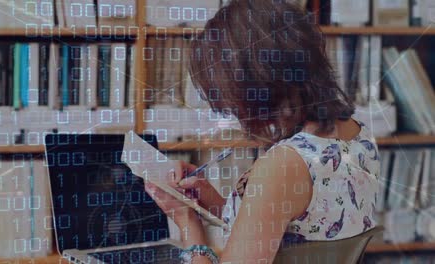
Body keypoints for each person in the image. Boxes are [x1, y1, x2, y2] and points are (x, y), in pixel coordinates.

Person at [144, 0, 381, 263]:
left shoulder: (283, 165)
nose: (233, 113)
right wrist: (217, 205)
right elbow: (304, 226)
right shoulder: (359, 135)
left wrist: (187, 223)